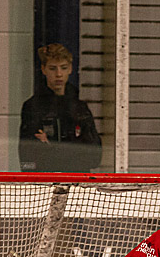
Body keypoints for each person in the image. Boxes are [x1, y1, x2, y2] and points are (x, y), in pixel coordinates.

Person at [19, 43, 102, 173]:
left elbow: (94, 157)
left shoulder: (80, 108)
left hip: (77, 183)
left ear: (70, 69)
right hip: (43, 184)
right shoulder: (33, 107)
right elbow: (27, 159)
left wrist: (50, 146)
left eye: (63, 68)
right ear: (43, 69)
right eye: (53, 68)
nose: (58, 74)